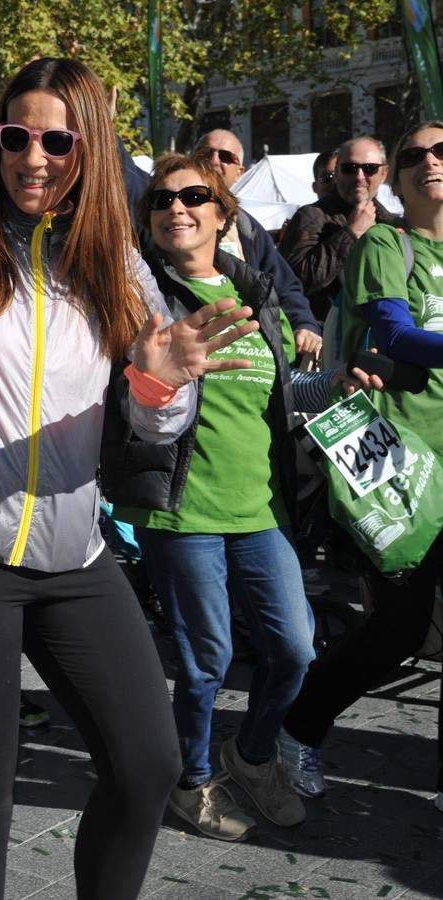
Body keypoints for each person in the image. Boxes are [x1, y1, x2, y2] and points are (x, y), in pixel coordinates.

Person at [0, 57, 265, 897]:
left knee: (148, 765)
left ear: (89, 149)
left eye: (57, 140)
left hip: (74, 555)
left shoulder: (120, 263)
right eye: (17, 136)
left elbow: (156, 425)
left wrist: (157, 385)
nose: (34, 157)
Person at [108, 153, 380, 842]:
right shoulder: (142, 301)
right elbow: (129, 400)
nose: (177, 208)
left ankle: (251, 757)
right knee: (207, 659)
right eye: (162, 200)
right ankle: (192, 780)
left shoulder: (258, 297)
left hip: (264, 508)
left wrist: (338, 384)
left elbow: (283, 398)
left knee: (294, 651)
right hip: (184, 507)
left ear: (225, 215)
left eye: (196, 196)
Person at [279, 122, 443, 811]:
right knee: (399, 630)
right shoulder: (386, 242)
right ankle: (299, 724)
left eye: (442, 152)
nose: (429, 163)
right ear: (397, 178)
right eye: (413, 157)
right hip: (402, 464)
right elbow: (395, 335)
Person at [185, 130, 323, 354]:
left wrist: (304, 325)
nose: (214, 160)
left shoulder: (248, 229)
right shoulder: (167, 215)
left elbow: (284, 285)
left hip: (248, 355)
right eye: (205, 152)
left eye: (226, 157)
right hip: (187, 351)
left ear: (239, 173)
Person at [279, 136, 403, 322]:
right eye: (349, 168)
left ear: (384, 174)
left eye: (370, 168)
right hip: (324, 337)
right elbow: (292, 282)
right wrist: (350, 233)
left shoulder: (393, 224)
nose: (359, 177)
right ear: (337, 173)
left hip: (381, 334)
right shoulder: (312, 215)